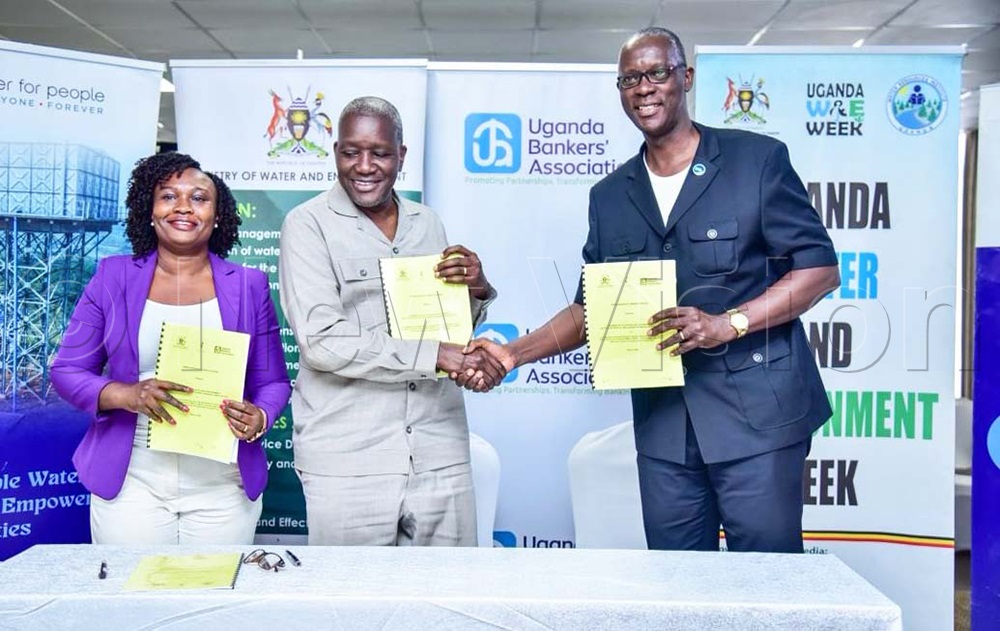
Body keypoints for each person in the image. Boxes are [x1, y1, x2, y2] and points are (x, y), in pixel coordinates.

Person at [466, 27, 840, 553]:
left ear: (685, 77)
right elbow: (590, 309)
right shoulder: (611, 196)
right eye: (630, 79)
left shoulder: (755, 161)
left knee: (767, 580)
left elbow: (819, 270)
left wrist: (727, 324)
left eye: (657, 72)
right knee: (677, 581)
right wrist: (511, 354)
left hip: (759, 420)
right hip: (666, 428)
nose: (644, 87)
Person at [278, 96, 505, 546]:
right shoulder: (307, 225)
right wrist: (434, 355)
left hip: (439, 450)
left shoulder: (428, 223)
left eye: (379, 153)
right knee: (353, 592)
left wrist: (476, 289)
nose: (364, 166)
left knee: (449, 590)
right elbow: (322, 341)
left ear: (401, 155)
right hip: (350, 458)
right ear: (336, 151)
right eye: (350, 152)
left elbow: (449, 332)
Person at [50, 152, 291, 545]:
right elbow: (67, 370)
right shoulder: (113, 276)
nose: (183, 206)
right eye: (168, 196)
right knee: (133, 585)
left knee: (214, 585)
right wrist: (127, 394)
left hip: (222, 483)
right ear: (150, 211)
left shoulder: (249, 285)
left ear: (217, 215)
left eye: (198, 198)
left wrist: (260, 417)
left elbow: (274, 382)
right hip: (132, 479)